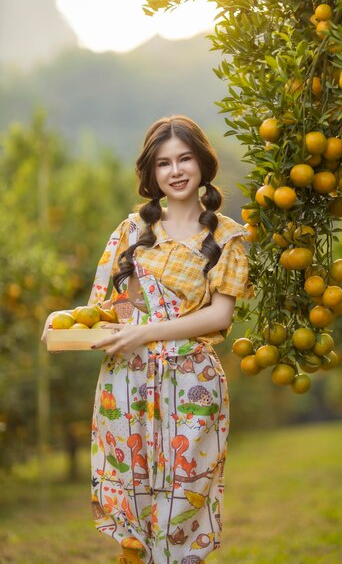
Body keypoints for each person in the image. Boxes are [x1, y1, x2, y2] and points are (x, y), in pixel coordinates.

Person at [45, 115, 253, 564]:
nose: (175, 171)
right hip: (129, 380)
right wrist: (71, 322)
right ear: (151, 172)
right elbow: (114, 307)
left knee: (185, 498)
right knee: (134, 498)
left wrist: (148, 332)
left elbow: (219, 314)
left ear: (202, 163)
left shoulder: (227, 237)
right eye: (164, 163)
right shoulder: (131, 232)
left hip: (193, 381)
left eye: (184, 159)